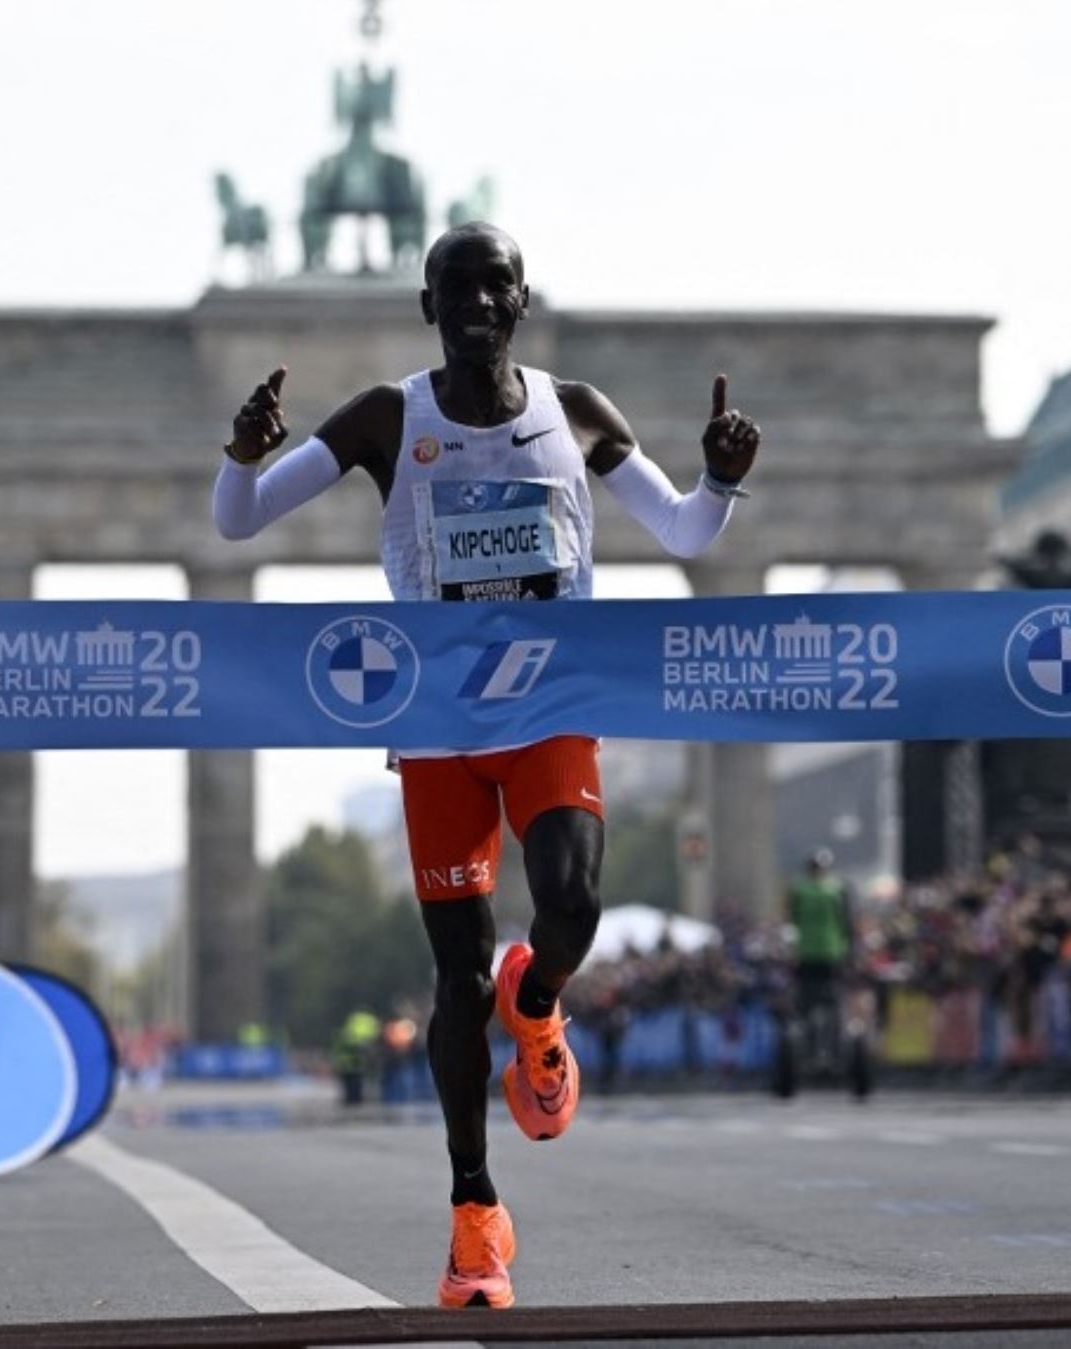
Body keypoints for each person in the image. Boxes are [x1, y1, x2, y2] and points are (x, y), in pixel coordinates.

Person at [213, 222, 758, 1308]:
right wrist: (244, 453)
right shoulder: (385, 415)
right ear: (429, 307)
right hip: (437, 728)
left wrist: (720, 478)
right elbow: (238, 523)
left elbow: (688, 535)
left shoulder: (580, 411)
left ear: (521, 301)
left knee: (572, 899)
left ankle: (543, 998)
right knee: (455, 979)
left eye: (493, 284)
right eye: (453, 286)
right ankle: (475, 1211)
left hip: (552, 708)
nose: (474, 301)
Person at [787, 848, 852, 1079]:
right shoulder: (837, 889)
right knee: (833, 1004)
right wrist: (849, 951)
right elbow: (846, 921)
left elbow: (793, 919)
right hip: (831, 953)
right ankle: (832, 1053)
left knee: (806, 1005)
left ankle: (809, 1052)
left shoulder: (799, 890)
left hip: (807, 954)